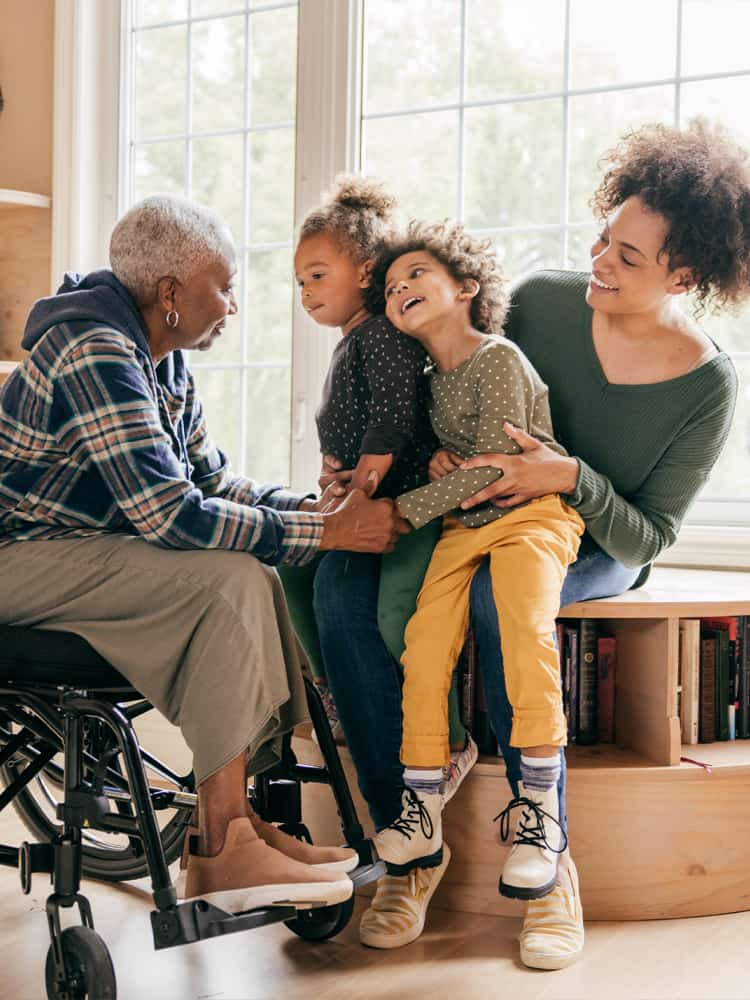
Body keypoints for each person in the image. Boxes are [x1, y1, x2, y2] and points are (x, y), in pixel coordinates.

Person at [313, 118, 750, 962]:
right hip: (477, 509)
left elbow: (648, 530)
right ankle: (406, 841)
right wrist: (416, 456)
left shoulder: (707, 384)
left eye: (629, 257)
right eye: (603, 239)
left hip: (587, 540)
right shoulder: (546, 301)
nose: (600, 263)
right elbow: (455, 373)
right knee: (339, 586)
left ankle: (549, 865)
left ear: (684, 274)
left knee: (498, 601)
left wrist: (568, 478)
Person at [0, 193, 407, 916]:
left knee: (247, 570)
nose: (233, 305)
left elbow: (211, 482)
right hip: (17, 561)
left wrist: (311, 510)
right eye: (223, 286)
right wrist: (334, 535)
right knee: (223, 581)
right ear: (170, 295)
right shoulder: (94, 346)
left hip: (81, 554)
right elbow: (168, 514)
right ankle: (224, 843)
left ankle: (238, 830)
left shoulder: (160, 358)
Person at [367, 220, 584, 904]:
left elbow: (493, 471)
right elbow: (454, 469)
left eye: (416, 276)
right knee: (423, 642)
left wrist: (402, 511)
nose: (400, 288)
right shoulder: (428, 381)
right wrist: (429, 469)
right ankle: (422, 806)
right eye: (392, 285)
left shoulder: (497, 358)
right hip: (466, 527)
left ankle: (541, 813)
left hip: (530, 517)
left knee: (523, 626)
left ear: (465, 286)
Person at [279, 175, 476, 779]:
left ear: (365, 273)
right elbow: (354, 424)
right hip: (361, 496)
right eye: (300, 281)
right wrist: (332, 475)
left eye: (318, 275)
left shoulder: (384, 336)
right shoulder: (351, 342)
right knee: (288, 564)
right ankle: (331, 691)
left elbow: (392, 419)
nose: (306, 292)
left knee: (386, 614)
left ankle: (438, 737)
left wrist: (358, 488)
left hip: (402, 500)